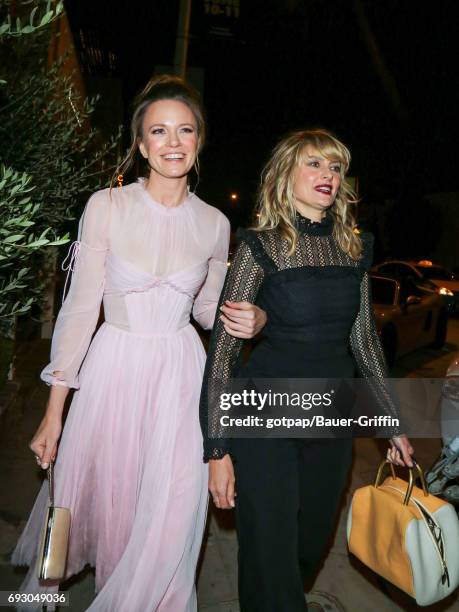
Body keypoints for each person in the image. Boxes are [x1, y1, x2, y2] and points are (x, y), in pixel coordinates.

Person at [11, 75, 266, 611]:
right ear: (142, 144)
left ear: (198, 142)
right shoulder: (106, 207)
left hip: (180, 377)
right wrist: (55, 411)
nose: (173, 141)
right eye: (159, 131)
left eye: (185, 130)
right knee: (93, 504)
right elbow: (80, 312)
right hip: (114, 369)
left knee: (171, 518)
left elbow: (205, 310)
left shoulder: (216, 223)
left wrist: (249, 318)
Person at [199, 129, 414, 611]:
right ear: (285, 174)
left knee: (310, 541)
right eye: (314, 164)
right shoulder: (259, 247)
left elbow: (364, 341)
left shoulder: (354, 250)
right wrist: (217, 448)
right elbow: (224, 354)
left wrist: (392, 422)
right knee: (269, 546)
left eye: (335, 167)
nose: (328, 175)